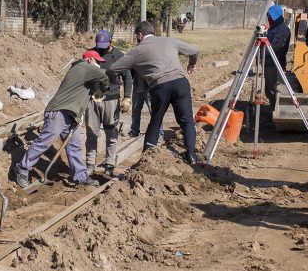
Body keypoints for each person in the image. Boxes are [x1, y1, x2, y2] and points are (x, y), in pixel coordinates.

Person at [15, 51, 110, 190]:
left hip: (70, 115)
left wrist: (99, 88)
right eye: (97, 62)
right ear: (90, 60)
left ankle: (80, 177)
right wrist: (104, 87)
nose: (99, 64)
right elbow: (105, 75)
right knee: (44, 142)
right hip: (59, 112)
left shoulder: (85, 72)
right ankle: (22, 168)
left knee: (74, 145)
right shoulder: (83, 67)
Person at [109, 21, 200, 165]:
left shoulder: (136, 51)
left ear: (140, 35)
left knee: (156, 120)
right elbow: (194, 50)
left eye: (136, 36)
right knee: (187, 121)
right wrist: (191, 63)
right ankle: (192, 156)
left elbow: (113, 69)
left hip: (160, 86)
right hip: (181, 83)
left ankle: (147, 158)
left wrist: (116, 81)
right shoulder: (169, 41)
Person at [86, 29, 133, 178]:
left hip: (112, 100)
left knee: (111, 133)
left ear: (111, 42)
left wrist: (127, 97)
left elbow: (127, 77)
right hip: (93, 100)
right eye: (99, 45)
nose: (101, 48)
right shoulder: (91, 54)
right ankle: (90, 164)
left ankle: (109, 165)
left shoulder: (118, 56)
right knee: (92, 133)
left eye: (104, 45)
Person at [263, 5, 291, 106]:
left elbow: (275, 47)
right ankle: (272, 107)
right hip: (268, 63)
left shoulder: (283, 30)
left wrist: (261, 52)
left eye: (270, 16)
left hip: (276, 64)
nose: (269, 18)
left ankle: (275, 111)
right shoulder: (273, 28)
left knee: (274, 90)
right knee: (269, 89)